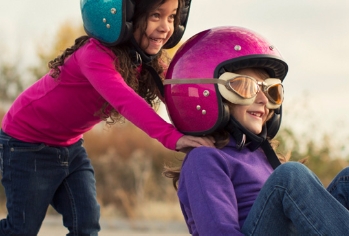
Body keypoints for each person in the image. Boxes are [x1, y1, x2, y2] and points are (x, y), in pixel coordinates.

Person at [0, 0, 215, 235]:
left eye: (172, 17)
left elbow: (176, 95)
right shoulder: (94, 56)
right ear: (125, 18)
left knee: (87, 224)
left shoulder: (143, 59)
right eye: (156, 16)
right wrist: (172, 137)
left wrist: (214, 128)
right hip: (26, 143)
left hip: (70, 147)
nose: (166, 27)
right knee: (20, 229)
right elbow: (127, 102)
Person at [163, 26, 349, 235]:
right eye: (247, 87)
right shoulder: (205, 158)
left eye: (271, 91)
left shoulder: (262, 155)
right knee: (289, 177)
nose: (263, 100)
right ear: (212, 94)